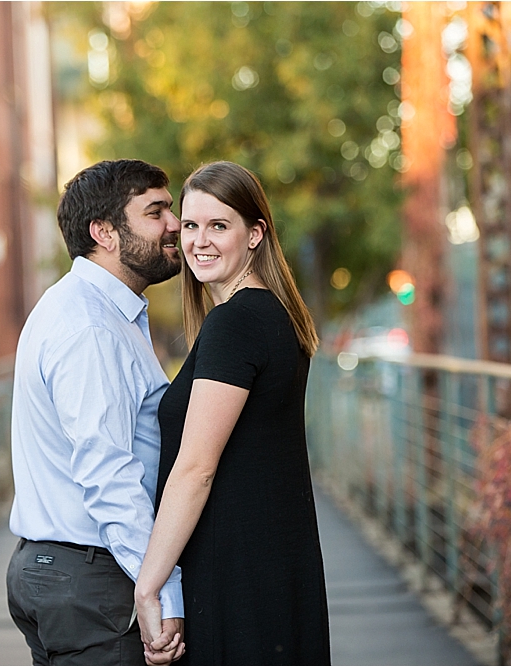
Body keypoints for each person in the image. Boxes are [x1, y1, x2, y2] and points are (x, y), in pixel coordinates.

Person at [134, 161, 331, 665]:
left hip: (237, 576)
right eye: (191, 225)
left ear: (255, 235)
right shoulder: (271, 314)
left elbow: (195, 468)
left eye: (219, 225)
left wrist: (149, 584)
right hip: (270, 567)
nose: (200, 240)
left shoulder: (236, 322)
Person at [7, 159, 187, 666]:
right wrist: (161, 592)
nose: (174, 224)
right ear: (104, 232)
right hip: (91, 579)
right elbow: (107, 472)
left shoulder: (89, 308)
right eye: (156, 212)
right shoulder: (91, 327)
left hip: (63, 571)